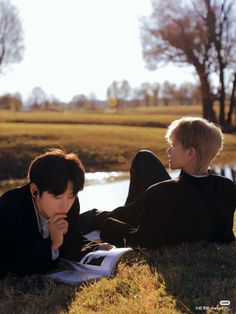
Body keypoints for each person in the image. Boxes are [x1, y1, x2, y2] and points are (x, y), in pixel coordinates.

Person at [79, 117, 236, 248]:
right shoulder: (228, 187)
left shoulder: (160, 192)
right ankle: (98, 216)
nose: (168, 150)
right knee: (144, 158)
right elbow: (225, 235)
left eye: (173, 145)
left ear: (190, 153)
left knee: (99, 219)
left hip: (166, 209)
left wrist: (108, 226)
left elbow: (143, 241)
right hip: (181, 202)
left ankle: (89, 218)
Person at [0, 149, 112, 277]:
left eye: (71, 196)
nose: (64, 205)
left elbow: (73, 238)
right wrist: (53, 244)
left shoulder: (72, 202)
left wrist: (96, 248)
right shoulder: (10, 207)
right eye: (57, 197)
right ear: (35, 191)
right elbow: (10, 265)